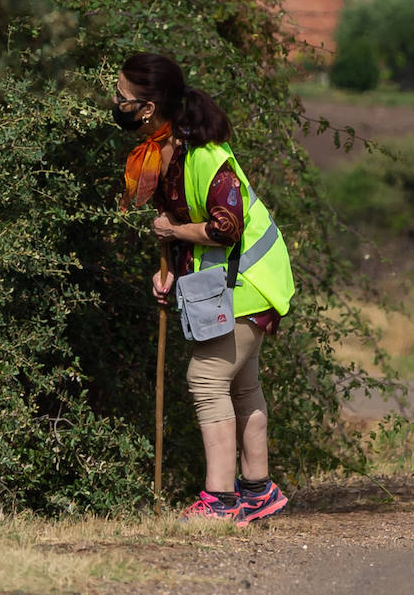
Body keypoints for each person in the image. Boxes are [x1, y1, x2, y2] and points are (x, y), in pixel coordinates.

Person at [114, 52, 294, 525]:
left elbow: (225, 227)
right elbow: (186, 225)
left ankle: (221, 501)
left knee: (206, 380)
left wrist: (172, 235)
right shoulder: (165, 153)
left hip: (250, 282)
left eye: (122, 97)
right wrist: (169, 272)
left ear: (148, 108)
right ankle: (258, 491)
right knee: (243, 384)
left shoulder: (205, 156)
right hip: (236, 282)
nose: (116, 103)